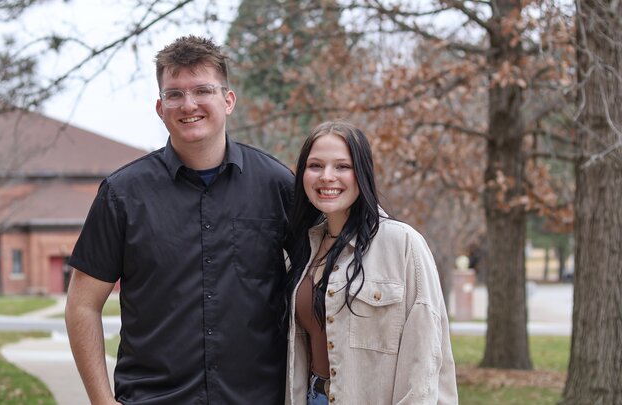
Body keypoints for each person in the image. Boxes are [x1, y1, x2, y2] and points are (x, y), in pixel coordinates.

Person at [65, 35, 294, 404]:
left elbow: (322, 282)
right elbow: (82, 304)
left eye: (202, 90)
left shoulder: (277, 185)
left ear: (228, 100)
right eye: (175, 94)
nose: (188, 104)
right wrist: (102, 401)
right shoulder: (123, 194)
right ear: (160, 106)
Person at [284, 121, 458, 404]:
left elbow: (424, 360)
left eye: (342, 166)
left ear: (362, 172)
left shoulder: (403, 245)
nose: (327, 176)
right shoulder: (302, 250)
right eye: (315, 166)